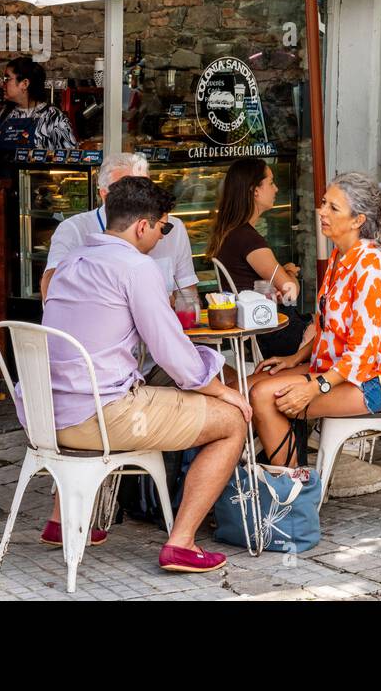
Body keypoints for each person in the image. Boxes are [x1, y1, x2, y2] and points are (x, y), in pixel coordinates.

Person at [20, 176, 252, 573]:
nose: (164, 237)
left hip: (44, 416)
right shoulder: (136, 267)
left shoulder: (72, 260)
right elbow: (171, 352)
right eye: (164, 227)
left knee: (144, 385)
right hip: (97, 417)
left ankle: (61, 522)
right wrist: (221, 389)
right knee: (233, 420)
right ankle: (181, 543)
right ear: (142, 226)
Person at [250, 174, 381, 465]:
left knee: (264, 395)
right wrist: (295, 358)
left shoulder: (369, 267)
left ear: (358, 220)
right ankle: (284, 479)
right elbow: (328, 328)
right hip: (334, 370)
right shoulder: (339, 257)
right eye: (323, 203)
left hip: (371, 383)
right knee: (248, 387)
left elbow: (362, 355)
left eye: (333, 208)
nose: (321, 211)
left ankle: (292, 492)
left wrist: (314, 386)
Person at [41, 153, 196, 304]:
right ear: (104, 195)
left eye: (146, 190)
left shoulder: (170, 228)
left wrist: (181, 304)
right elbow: (51, 289)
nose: (141, 198)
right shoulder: (74, 229)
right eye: (127, 192)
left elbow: (188, 295)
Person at [204, 158, 310, 358]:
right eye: (271, 182)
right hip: (270, 330)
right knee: (333, 332)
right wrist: (288, 273)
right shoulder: (248, 239)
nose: (276, 189)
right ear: (255, 190)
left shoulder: (231, 233)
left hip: (255, 328)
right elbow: (290, 292)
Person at [0, 56, 77, 155]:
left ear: (25, 83)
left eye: (7, 79)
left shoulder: (53, 118)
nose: (2, 83)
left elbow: (71, 158)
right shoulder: (4, 115)